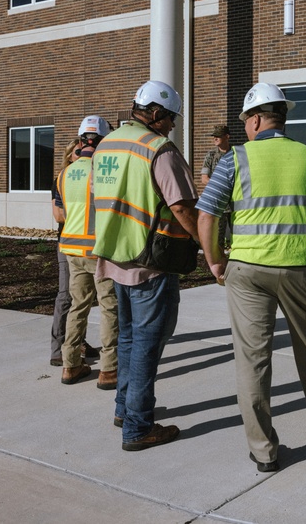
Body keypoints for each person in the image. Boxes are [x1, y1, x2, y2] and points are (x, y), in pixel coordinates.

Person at [196, 82, 306, 473]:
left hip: (248, 271)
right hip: (304, 268)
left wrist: (215, 262)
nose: (246, 126)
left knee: (252, 359)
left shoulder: (233, 160)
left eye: (247, 119)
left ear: (258, 119)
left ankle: (264, 450)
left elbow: (207, 215)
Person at [92, 80, 200, 452]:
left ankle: (124, 408)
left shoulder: (108, 143)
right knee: (148, 344)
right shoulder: (158, 149)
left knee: (127, 338)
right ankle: (138, 426)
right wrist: (210, 246)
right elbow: (183, 208)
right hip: (149, 262)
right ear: (155, 114)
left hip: (114, 255)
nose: (172, 125)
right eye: (170, 118)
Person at [56, 116, 119, 389]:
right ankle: (109, 370)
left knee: (77, 307)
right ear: (103, 140)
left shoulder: (66, 172)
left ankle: (70, 365)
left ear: (81, 140)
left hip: (71, 249)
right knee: (109, 309)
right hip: (99, 250)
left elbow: (63, 213)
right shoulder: (107, 169)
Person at [49, 137, 97, 367]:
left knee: (83, 298)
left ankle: (79, 342)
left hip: (88, 244)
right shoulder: (63, 178)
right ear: (69, 156)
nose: (83, 155)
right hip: (68, 245)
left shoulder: (90, 176)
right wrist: (80, 212)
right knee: (67, 296)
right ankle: (58, 349)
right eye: (78, 152)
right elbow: (58, 216)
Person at [200, 124, 232, 251]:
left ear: (227, 136)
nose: (215, 138)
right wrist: (221, 187)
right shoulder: (211, 155)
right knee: (218, 235)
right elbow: (204, 178)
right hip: (219, 201)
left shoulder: (237, 153)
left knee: (239, 234)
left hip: (235, 201)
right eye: (214, 136)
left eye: (218, 136)